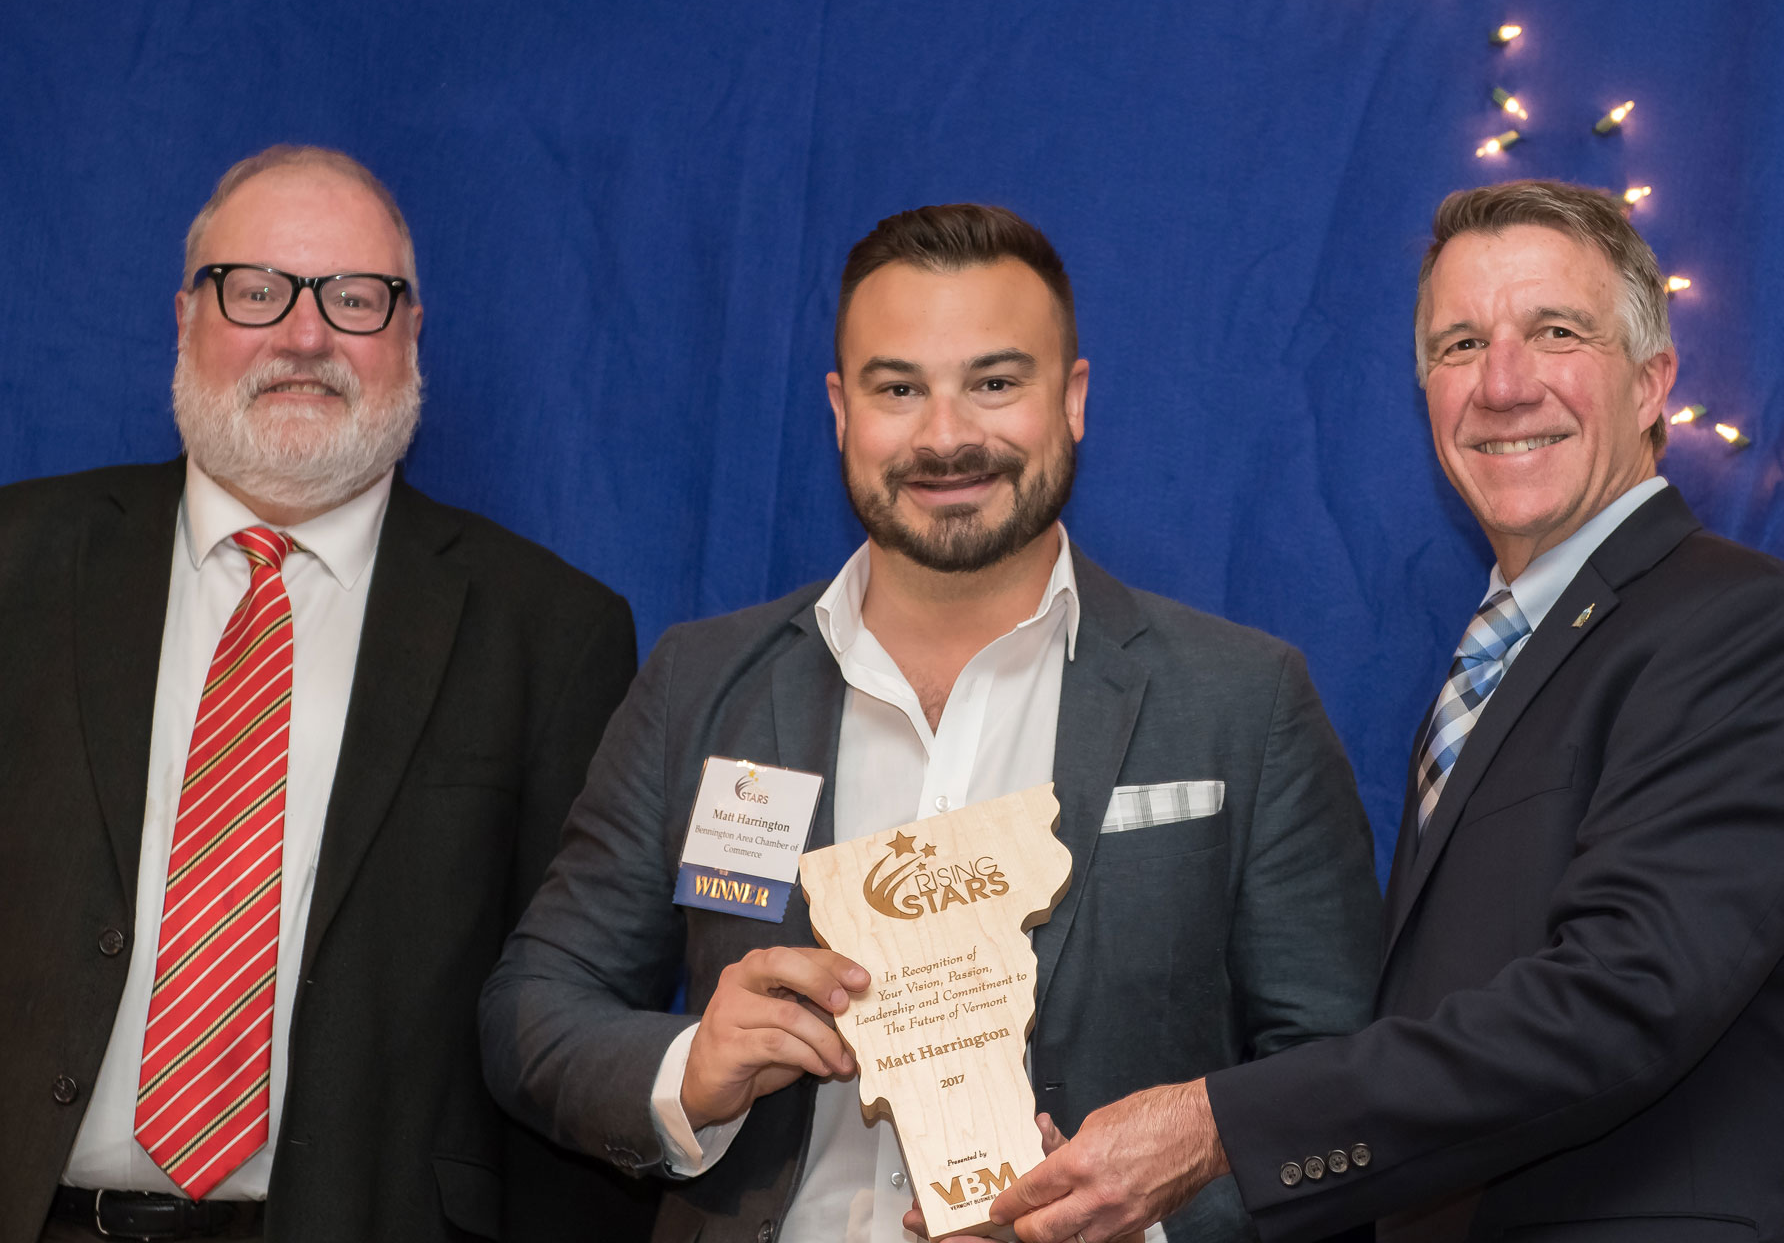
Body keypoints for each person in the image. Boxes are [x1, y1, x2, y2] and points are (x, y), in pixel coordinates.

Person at [988, 179, 1784, 1243]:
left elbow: (1622, 999)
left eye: (1556, 332)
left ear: (1651, 383)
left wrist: (1215, 1124)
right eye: (1460, 345)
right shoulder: (1506, 653)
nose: (1502, 384)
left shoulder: (1739, 627)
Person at [480, 203, 1382, 1243]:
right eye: (899, 388)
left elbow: (1344, 1078)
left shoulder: (1242, 698)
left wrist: (1138, 1218)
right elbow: (534, 1005)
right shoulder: (702, 682)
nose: (946, 437)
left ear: (1073, 398)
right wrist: (691, 1068)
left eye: (994, 383)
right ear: (841, 410)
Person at [0, 146, 653, 1243]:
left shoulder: (552, 632)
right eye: (256, 290)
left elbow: (569, 1019)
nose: (305, 336)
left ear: (410, 333)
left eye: (354, 298)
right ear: (185, 318)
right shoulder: (17, 563)